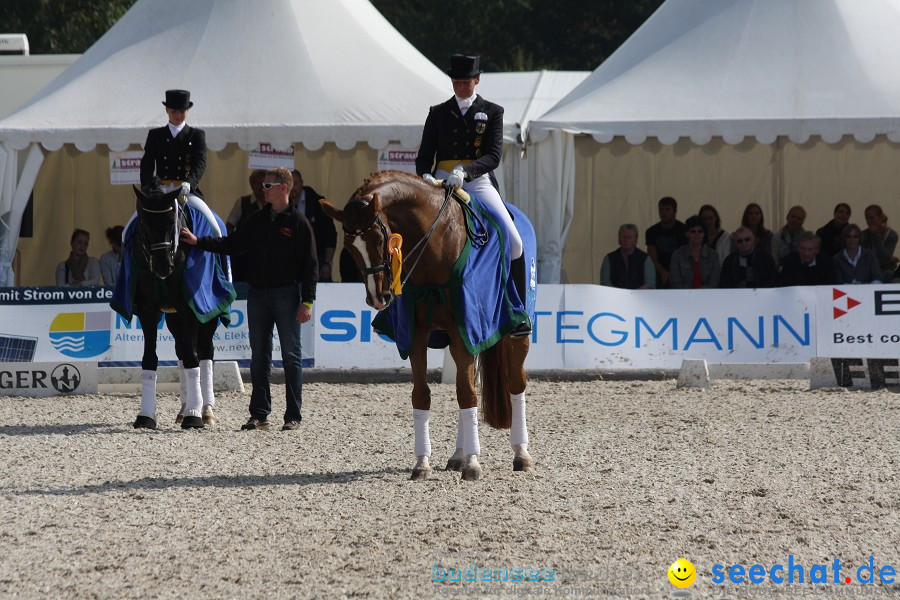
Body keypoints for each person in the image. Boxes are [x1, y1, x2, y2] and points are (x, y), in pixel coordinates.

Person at [180, 167, 317, 431]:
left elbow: (310, 267)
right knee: (259, 356)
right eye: (263, 185)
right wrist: (199, 241)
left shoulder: (299, 223)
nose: (262, 190)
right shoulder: (256, 220)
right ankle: (259, 414)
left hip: (286, 294)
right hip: (257, 295)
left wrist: (307, 301)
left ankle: (293, 416)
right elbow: (232, 244)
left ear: (284, 188)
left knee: (291, 356)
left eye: (268, 186)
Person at [415, 53, 530, 337]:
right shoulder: (437, 112)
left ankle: (516, 312)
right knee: (416, 237)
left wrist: (466, 173)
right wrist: (427, 177)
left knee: (514, 242)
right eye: (456, 81)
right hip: (441, 180)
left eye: (466, 82)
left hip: (476, 181)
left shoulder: (492, 111)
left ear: (477, 80)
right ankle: (409, 312)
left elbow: (493, 156)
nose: (461, 86)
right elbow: (424, 157)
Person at [138, 89, 220, 237]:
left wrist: (189, 183)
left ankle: (221, 258)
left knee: (215, 226)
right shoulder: (156, 135)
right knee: (129, 229)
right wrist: (147, 188)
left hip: (186, 191)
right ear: (167, 110)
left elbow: (200, 163)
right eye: (174, 111)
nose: (178, 115)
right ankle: (125, 255)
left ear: (187, 111)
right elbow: (147, 164)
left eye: (182, 111)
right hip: (161, 191)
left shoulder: (196, 135)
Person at [290, 169, 337, 282]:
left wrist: (327, 263)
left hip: (317, 258)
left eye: (295, 183)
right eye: (289, 184)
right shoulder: (280, 204)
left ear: (302, 183)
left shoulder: (318, 203)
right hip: (291, 261)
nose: (292, 188)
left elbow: (330, 234)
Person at [645, 196, 686, 288]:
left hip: (680, 271)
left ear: (675, 211)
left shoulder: (683, 230)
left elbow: (685, 255)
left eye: (667, 209)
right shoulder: (652, 231)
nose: (664, 212)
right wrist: (662, 271)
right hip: (658, 272)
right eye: (661, 209)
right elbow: (652, 258)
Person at [669, 216, 721, 289]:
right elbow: (675, 282)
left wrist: (699, 294)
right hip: (682, 297)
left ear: (704, 234)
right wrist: (690, 294)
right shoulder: (677, 255)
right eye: (693, 231)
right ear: (686, 234)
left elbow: (714, 282)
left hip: (707, 297)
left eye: (700, 231)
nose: (697, 234)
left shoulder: (713, 255)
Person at [599, 224, 655, 289]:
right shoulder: (609, 259)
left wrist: (634, 294)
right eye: (623, 237)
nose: (626, 240)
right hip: (614, 297)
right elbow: (605, 283)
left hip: (639, 297)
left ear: (635, 241)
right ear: (619, 240)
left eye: (630, 237)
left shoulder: (645, 259)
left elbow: (650, 284)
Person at [860, 204, 898, 283]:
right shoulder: (863, 235)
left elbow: (884, 257)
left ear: (880, 217)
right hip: (868, 270)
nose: (869, 221)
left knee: (889, 275)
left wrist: (876, 236)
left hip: (884, 271)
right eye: (867, 219)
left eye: (872, 218)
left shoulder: (891, 235)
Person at [226, 169, 267, 234]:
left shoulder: (273, 203)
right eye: (259, 183)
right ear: (252, 185)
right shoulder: (242, 202)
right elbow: (230, 226)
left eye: (265, 184)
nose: (262, 186)